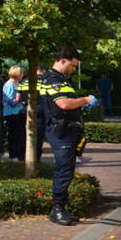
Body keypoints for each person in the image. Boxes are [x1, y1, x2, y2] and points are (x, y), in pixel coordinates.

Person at [43, 47, 99, 226]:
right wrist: (85, 100)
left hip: (69, 130)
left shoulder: (63, 80)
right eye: (73, 66)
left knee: (67, 169)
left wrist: (80, 105)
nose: (74, 69)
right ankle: (56, 210)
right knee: (64, 169)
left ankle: (62, 209)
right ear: (63, 61)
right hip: (60, 131)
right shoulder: (52, 80)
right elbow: (64, 103)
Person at [2, 66, 26, 161]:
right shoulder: (9, 85)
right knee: (13, 134)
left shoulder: (17, 84)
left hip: (18, 112)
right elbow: (10, 100)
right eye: (21, 73)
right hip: (11, 113)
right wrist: (21, 99)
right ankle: (13, 155)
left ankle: (18, 154)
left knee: (19, 134)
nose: (22, 75)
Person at [35, 63, 47, 162]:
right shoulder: (45, 82)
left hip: (26, 110)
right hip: (42, 109)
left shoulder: (24, 82)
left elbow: (18, 98)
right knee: (39, 133)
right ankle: (37, 155)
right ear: (42, 71)